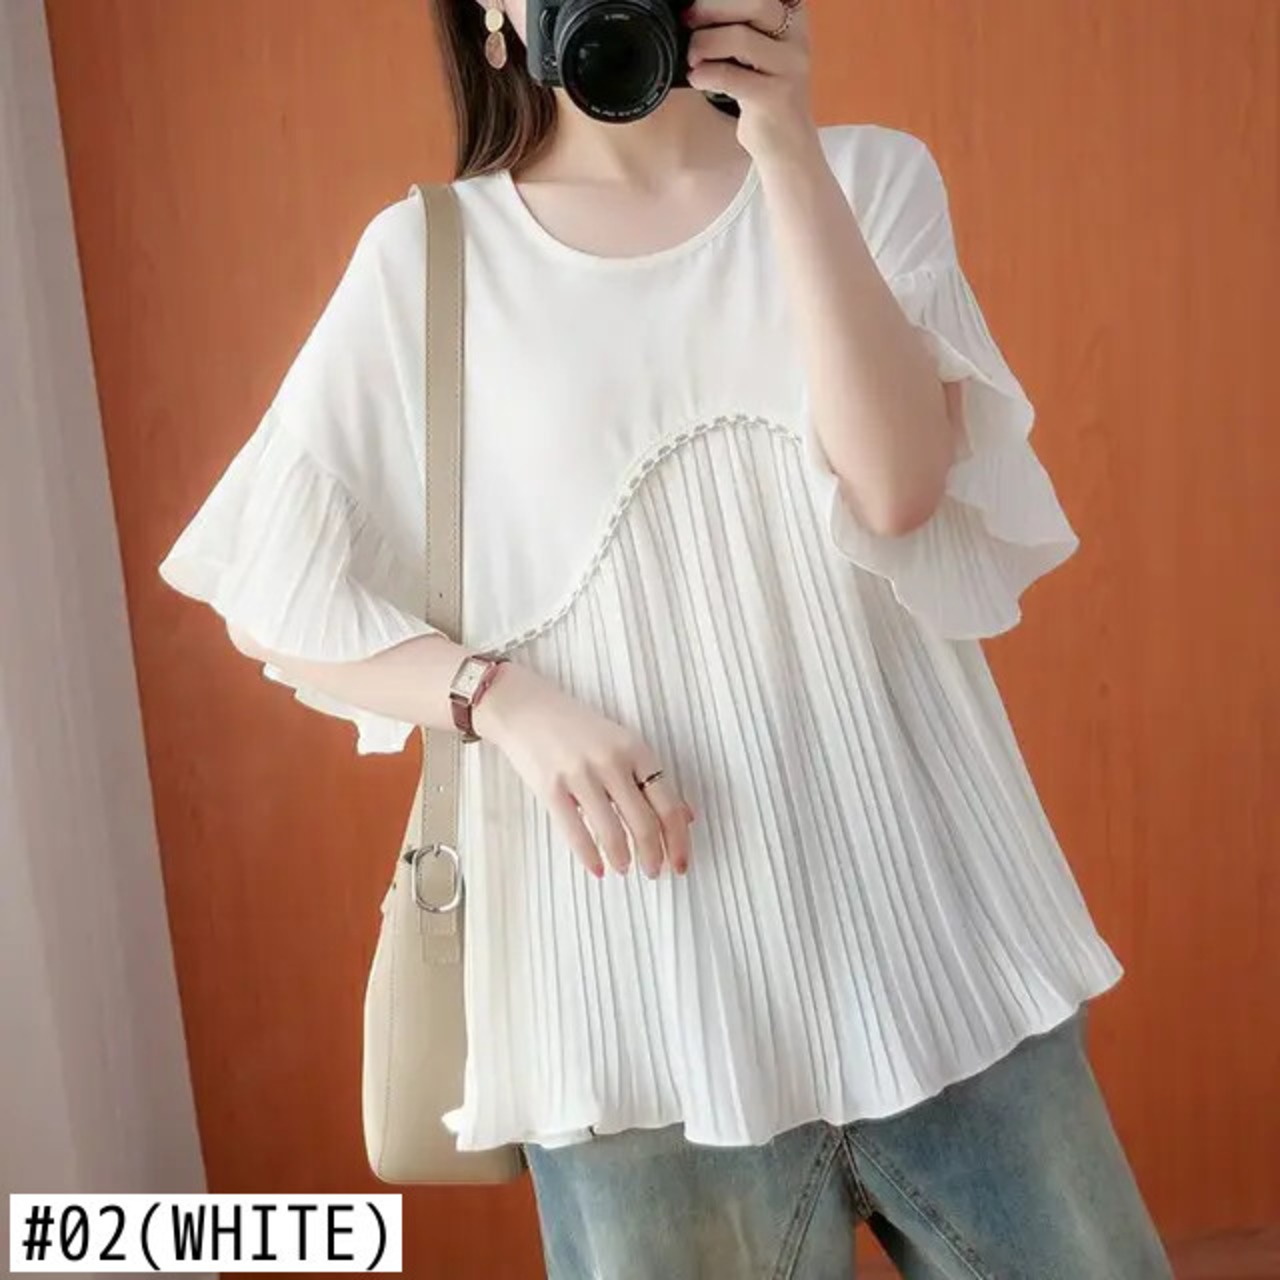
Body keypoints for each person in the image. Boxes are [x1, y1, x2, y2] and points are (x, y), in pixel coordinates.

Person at [158, 0, 1176, 1275]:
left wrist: (783, 142)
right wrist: (499, 698)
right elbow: (272, 588)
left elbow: (896, 488)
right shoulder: (428, 261)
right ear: (488, 16)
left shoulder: (864, 177)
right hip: (632, 1016)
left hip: (934, 947)